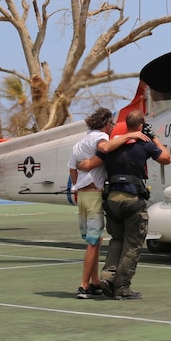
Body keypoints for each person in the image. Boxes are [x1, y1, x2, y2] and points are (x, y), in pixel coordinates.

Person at [86, 110, 170, 300]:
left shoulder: (111, 145)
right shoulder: (144, 145)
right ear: (140, 126)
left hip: (112, 200)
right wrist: (154, 138)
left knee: (117, 240)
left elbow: (91, 162)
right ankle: (122, 286)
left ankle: (107, 278)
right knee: (132, 245)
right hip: (132, 200)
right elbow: (166, 158)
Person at [68, 108, 113, 299]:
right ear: (106, 123)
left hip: (83, 196)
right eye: (112, 123)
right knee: (93, 243)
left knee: (94, 240)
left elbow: (72, 168)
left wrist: (78, 184)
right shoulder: (101, 136)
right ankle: (84, 285)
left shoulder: (79, 144)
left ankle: (94, 281)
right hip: (95, 195)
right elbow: (104, 148)